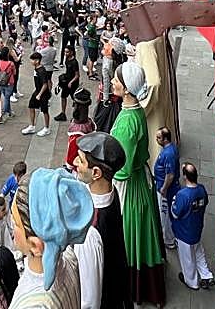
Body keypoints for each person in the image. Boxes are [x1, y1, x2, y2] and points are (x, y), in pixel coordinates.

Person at [108, 62, 166, 306]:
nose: (112, 82)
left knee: (129, 237)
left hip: (129, 188)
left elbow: (121, 169)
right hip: (141, 180)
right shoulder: (136, 111)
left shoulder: (125, 123)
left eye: (116, 80)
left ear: (128, 89)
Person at [8, 167, 91, 309]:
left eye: (15, 222)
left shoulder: (35, 306)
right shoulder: (68, 257)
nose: (11, 224)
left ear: (35, 245)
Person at [73, 131, 131, 309]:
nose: (75, 162)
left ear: (96, 173)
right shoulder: (112, 193)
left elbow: (88, 302)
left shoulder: (89, 232)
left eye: (81, 160)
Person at [170, 162, 213, 291]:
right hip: (197, 229)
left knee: (187, 259)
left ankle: (192, 282)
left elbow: (175, 213)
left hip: (184, 233)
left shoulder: (182, 195)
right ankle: (206, 276)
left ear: (185, 177)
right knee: (199, 253)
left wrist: (173, 201)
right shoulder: (201, 189)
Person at [152, 127, 178, 251]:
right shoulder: (168, 150)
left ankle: (168, 240)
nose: (156, 140)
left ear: (165, 139)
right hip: (162, 185)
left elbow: (170, 175)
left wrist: (163, 188)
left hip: (165, 190)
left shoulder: (169, 154)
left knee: (165, 215)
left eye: (159, 137)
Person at [20, 54, 52, 138]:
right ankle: (32, 126)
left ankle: (47, 128)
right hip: (37, 91)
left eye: (32, 60)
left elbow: (45, 84)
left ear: (37, 61)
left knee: (45, 111)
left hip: (42, 93)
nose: (30, 61)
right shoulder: (36, 68)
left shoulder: (41, 71)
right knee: (31, 106)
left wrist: (40, 95)